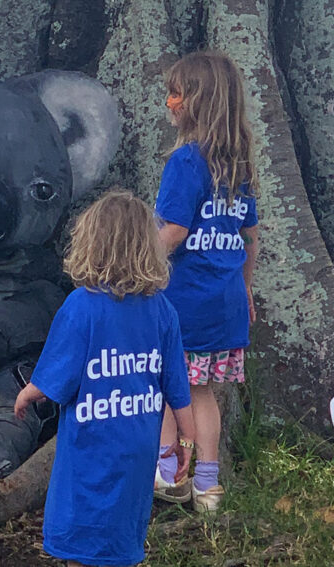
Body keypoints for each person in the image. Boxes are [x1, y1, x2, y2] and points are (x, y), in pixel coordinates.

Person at [14, 191, 196, 567]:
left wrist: (27, 394)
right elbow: (178, 390)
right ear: (149, 247)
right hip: (138, 452)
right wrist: (186, 441)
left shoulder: (81, 307)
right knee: (122, 537)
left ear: (91, 243)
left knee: (82, 538)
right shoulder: (162, 310)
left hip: (90, 453)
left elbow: (54, 379)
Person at [153, 51, 260, 513]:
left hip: (186, 302)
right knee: (204, 394)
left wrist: (133, 264)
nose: (169, 102)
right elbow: (250, 238)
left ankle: (165, 474)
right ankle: (208, 485)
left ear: (195, 102)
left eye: (175, 93)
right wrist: (248, 290)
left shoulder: (185, 163)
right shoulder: (239, 167)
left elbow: (174, 231)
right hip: (227, 303)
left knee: (165, 388)